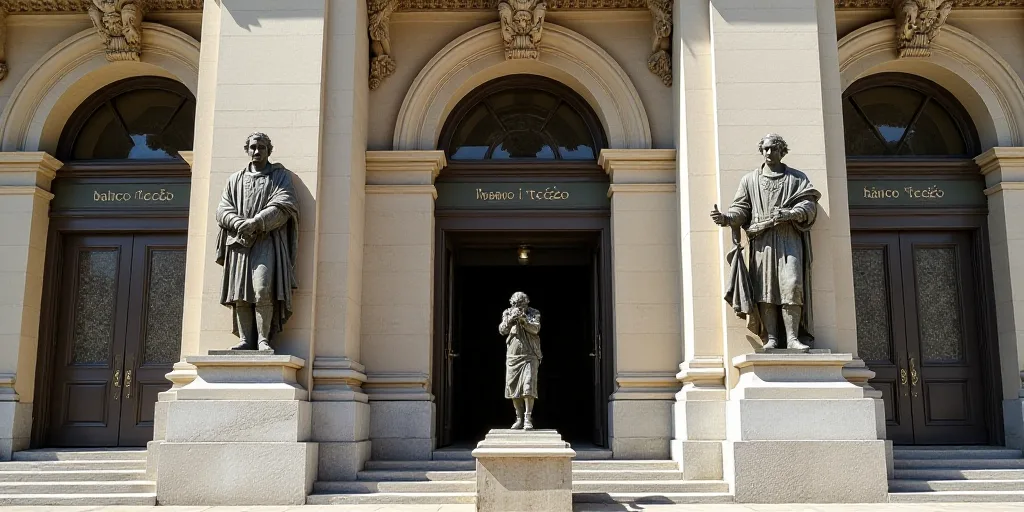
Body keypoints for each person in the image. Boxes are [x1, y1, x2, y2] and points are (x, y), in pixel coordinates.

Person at [710, 133, 820, 350]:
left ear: (782, 150)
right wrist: (726, 219)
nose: (769, 153)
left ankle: (792, 338)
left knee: (792, 285)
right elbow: (741, 209)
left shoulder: (797, 179)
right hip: (762, 242)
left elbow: (809, 205)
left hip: (789, 238)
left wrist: (791, 213)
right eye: (765, 149)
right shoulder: (750, 180)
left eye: (773, 148)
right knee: (765, 289)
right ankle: (772, 338)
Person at [215, 132, 300, 351]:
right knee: (240, 293)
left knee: (262, 288)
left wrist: (256, 222)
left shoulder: (280, 176)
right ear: (247, 149)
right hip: (239, 242)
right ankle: (246, 339)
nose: (256, 151)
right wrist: (237, 222)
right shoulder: (235, 179)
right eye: (253, 147)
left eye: (261, 147)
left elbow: (284, 203)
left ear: (268, 150)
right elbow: (222, 209)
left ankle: (263, 339)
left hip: (265, 240)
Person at [499, 292, 542, 430]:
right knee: (513, 388)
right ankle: (518, 418)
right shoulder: (507, 312)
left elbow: (535, 329)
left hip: (530, 354)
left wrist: (524, 320)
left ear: (527, 303)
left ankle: (528, 417)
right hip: (513, 355)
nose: (519, 307)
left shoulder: (534, 313)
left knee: (528, 386)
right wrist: (511, 319)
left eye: (522, 304)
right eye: (516, 304)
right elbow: (502, 330)